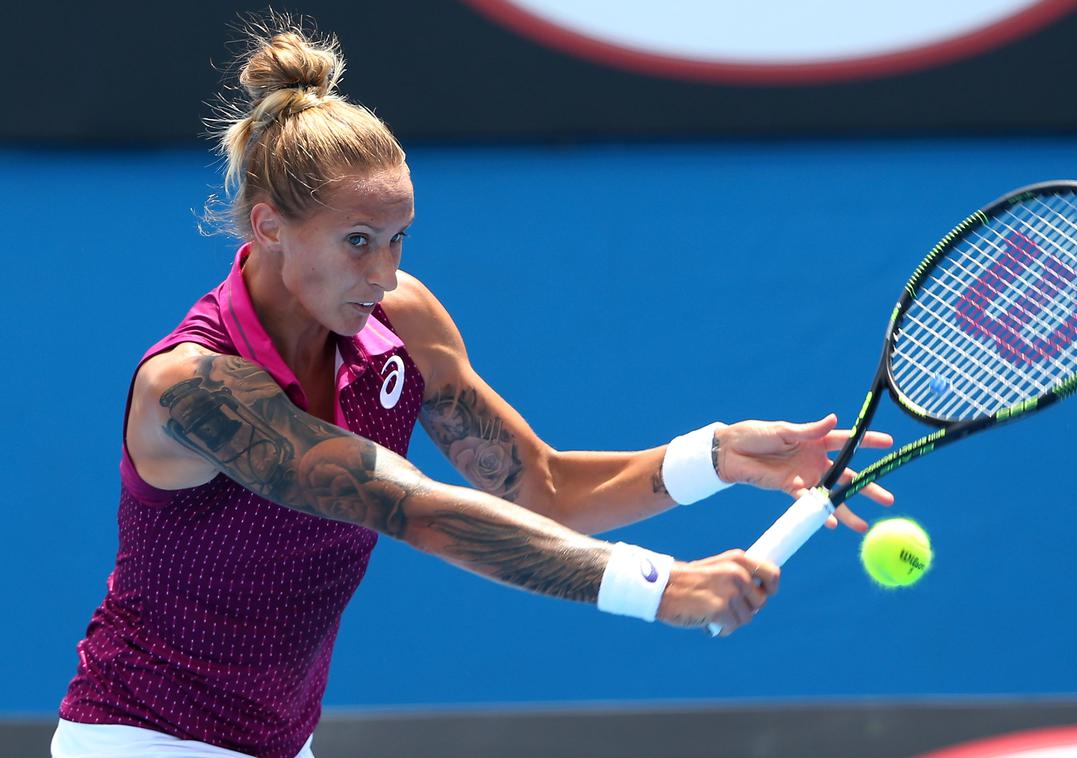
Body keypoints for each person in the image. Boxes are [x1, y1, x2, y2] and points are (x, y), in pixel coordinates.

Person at [52, 15, 893, 758]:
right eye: (357, 241)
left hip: (279, 740)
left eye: (398, 239)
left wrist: (711, 457)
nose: (384, 273)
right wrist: (658, 587)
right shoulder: (194, 389)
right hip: (138, 738)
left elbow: (544, 489)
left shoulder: (398, 320)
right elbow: (415, 508)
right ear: (270, 225)